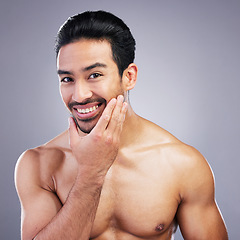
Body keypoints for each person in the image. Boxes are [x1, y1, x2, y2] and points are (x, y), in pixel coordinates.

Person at [15, 10, 228, 240]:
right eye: (67, 79)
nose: (79, 95)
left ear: (129, 77)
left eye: (94, 75)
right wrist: (90, 175)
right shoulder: (38, 165)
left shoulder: (183, 164)